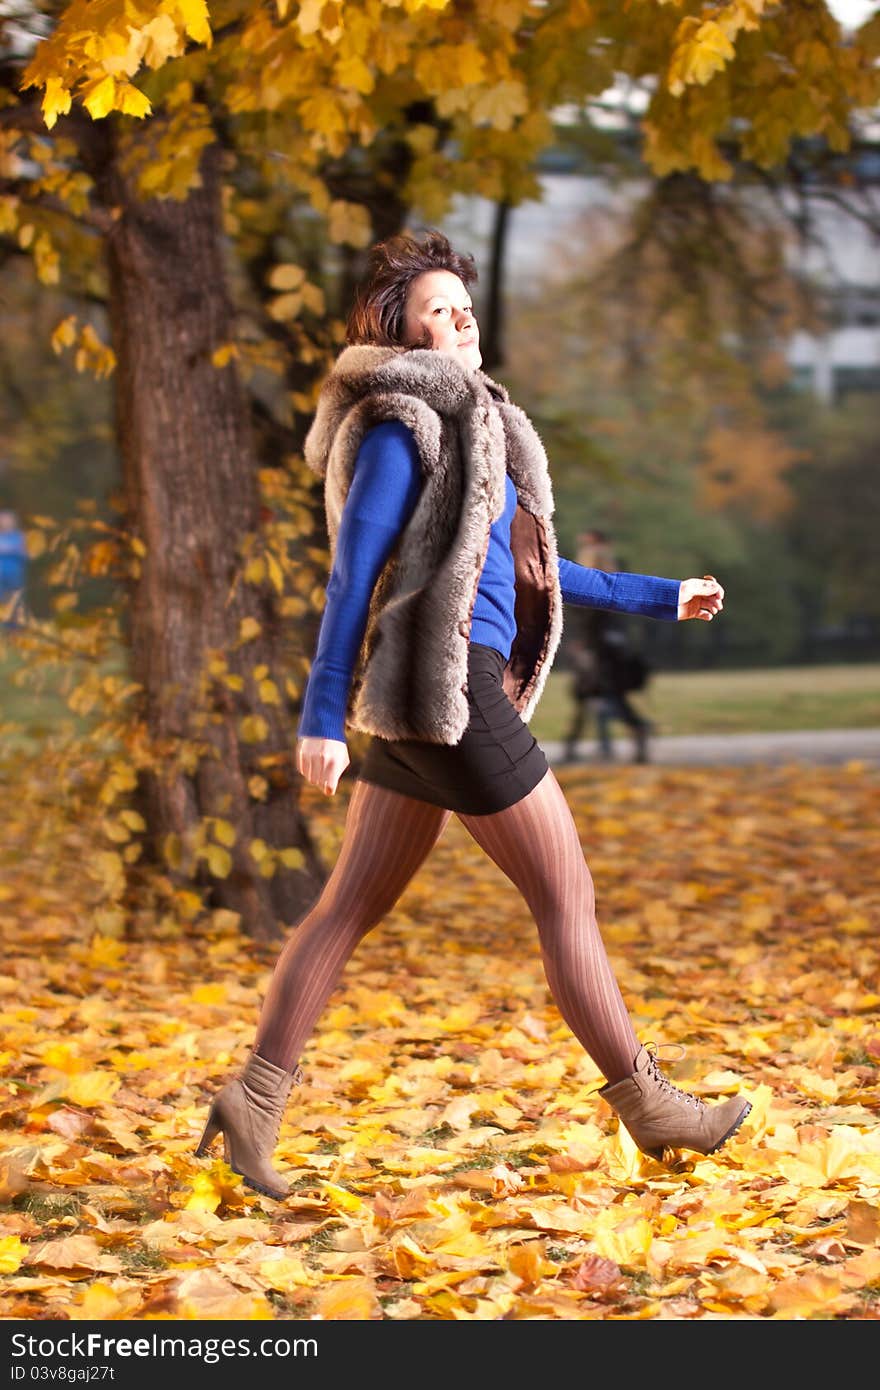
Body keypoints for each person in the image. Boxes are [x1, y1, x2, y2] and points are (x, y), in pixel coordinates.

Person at [195, 230, 751, 1199]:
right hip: (443, 695)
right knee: (563, 897)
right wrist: (319, 715)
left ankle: (252, 1101)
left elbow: (530, 569)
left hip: (424, 705)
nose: (459, 321)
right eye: (437, 311)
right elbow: (348, 577)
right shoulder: (398, 423)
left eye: (464, 307)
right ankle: (653, 1107)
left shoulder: (472, 427)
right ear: (397, 332)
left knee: (345, 909)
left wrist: (664, 595)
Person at [563, 529, 654, 764]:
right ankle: (574, 747)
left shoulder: (594, 586)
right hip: (606, 647)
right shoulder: (614, 584)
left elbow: (591, 622)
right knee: (590, 695)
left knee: (602, 695)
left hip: (599, 650)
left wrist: (584, 646)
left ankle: (638, 731)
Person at [0, 509, 28, 628]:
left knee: (15, 600)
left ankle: (15, 625)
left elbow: (25, 553)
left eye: (7, 521)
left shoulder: (18, 537)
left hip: (15, 575)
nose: (4, 523)